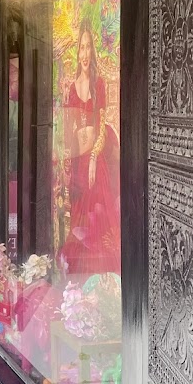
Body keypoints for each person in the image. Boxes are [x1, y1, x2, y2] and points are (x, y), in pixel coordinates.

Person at [60, 18, 120, 277]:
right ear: (78, 53)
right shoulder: (72, 88)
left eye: (88, 47)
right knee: (79, 220)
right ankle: (79, 279)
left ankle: (102, 280)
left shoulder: (99, 84)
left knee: (98, 221)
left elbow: (102, 126)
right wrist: (67, 165)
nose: (85, 54)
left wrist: (94, 157)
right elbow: (69, 132)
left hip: (95, 161)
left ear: (93, 51)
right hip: (78, 161)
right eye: (81, 48)